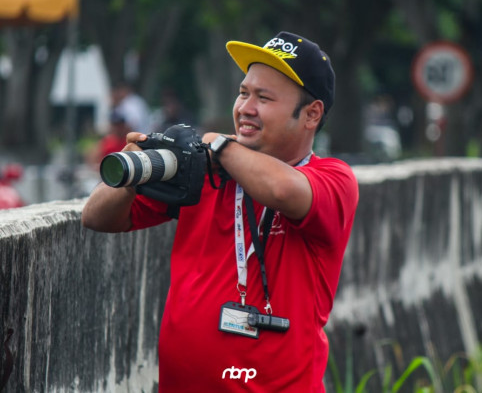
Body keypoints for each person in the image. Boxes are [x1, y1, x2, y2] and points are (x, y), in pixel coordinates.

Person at [82, 31, 359, 392]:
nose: (245, 107)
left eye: (264, 97)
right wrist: (139, 171)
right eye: (244, 92)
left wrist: (216, 143)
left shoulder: (332, 179)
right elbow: (96, 217)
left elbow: (281, 189)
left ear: (311, 114)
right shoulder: (205, 173)